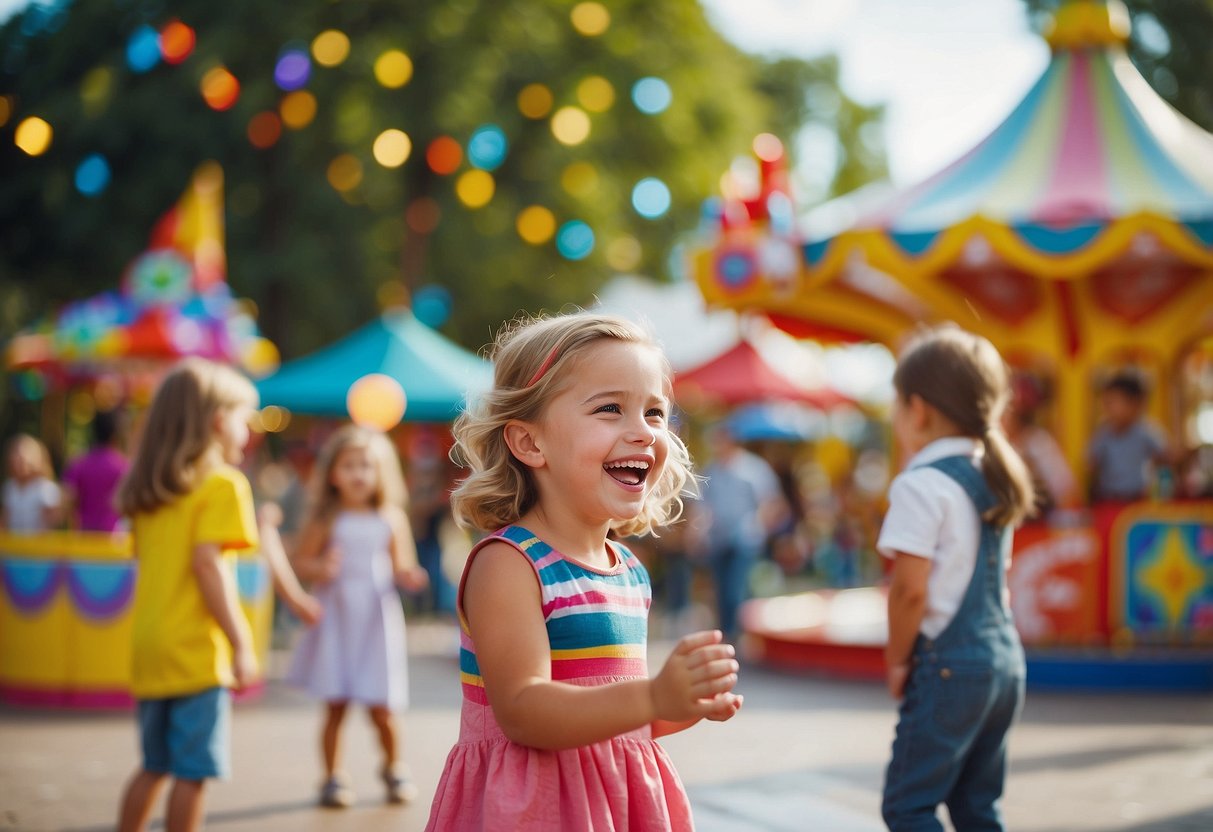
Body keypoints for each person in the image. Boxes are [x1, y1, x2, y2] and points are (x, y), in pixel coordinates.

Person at [425, 312, 743, 831]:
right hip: (534, 808)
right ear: (530, 443)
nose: (642, 432)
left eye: (656, 413)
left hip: (615, 804)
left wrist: (682, 705)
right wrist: (653, 696)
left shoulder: (629, 571)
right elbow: (524, 711)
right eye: (611, 409)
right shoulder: (509, 563)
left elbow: (618, 717)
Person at [115, 358, 320, 832]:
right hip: (195, 651)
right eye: (243, 418)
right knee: (194, 772)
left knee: (154, 764)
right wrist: (242, 643)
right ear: (215, 421)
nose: (248, 430)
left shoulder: (152, 492)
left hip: (150, 645)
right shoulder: (223, 484)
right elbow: (208, 566)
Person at [878, 325, 1036, 832]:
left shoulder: (921, 484)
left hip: (948, 669)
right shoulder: (994, 476)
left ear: (917, 410)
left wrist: (898, 658)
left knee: (908, 807)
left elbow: (910, 590)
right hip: (1005, 663)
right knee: (977, 808)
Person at [282, 423, 429, 808]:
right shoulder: (327, 518)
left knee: (382, 706)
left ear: (381, 471)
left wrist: (409, 576)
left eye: (366, 465)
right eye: (348, 465)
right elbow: (300, 561)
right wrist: (320, 568)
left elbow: (402, 565)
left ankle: (394, 765)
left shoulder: (390, 517)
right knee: (336, 703)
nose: (358, 474)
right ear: (332, 473)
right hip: (338, 617)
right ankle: (332, 776)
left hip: (375, 620)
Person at [688, 422, 787, 641]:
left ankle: (735, 634)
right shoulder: (711, 471)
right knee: (721, 590)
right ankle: (726, 633)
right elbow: (703, 506)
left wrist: (758, 525)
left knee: (735, 588)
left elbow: (771, 501)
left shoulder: (753, 469)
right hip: (717, 539)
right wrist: (698, 533)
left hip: (744, 538)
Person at [1087, 370, 1170, 503]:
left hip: (1139, 498)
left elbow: (1165, 456)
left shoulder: (1146, 430)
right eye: (1106, 403)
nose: (1108, 409)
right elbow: (1091, 463)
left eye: (1113, 402)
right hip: (1109, 497)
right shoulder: (1103, 433)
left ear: (1134, 404)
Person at [62, 409, 130, 532]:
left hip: (85, 535)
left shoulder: (78, 464)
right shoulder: (123, 466)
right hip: (114, 538)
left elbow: (68, 500)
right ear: (116, 434)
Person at [2, 433, 61, 533]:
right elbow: (5, 518)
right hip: (13, 545)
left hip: (37, 545)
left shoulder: (45, 488)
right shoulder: (9, 487)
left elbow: (53, 521)